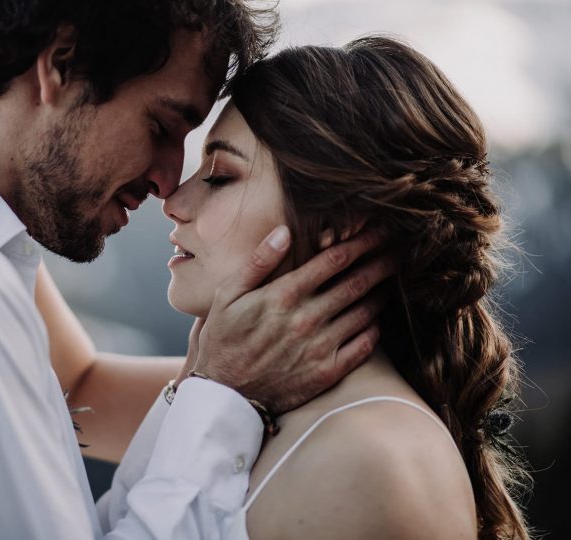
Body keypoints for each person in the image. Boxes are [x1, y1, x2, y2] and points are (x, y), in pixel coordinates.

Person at [0, 2, 392, 539]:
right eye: (162, 125)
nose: (170, 181)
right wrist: (224, 393)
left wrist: (213, 381)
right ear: (61, 64)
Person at [103, 37, 532, 539]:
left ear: (339, 222)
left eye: (219, 175)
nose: (172, 201)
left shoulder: (367, 464)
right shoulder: (256, 394)